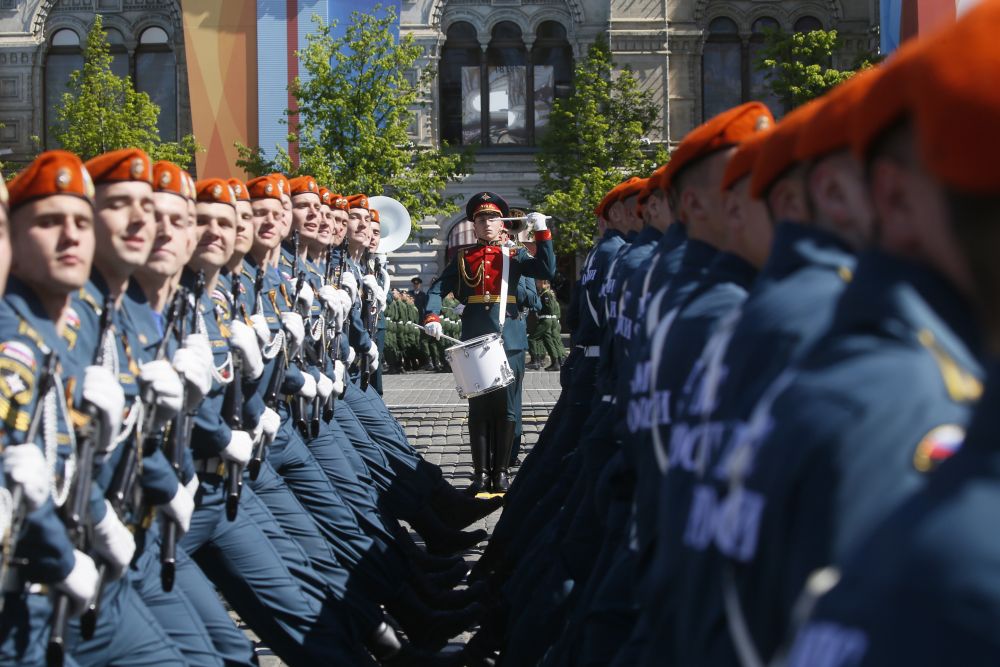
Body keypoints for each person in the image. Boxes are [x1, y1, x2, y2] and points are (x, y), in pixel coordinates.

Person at [423, 192, 555, 494]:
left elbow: (546, 270)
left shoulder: (514, 254)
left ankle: (501, 470)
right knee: (479, 409)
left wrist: (542, 232)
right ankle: (480, 472)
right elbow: (438, 288)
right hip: (475, 337)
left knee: (507, 408)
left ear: (502, 224)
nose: (486, 223)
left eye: (492, 218)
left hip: (508, 337)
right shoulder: (463, 257)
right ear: (474, 224)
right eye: (480, 219)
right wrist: (432, 316)